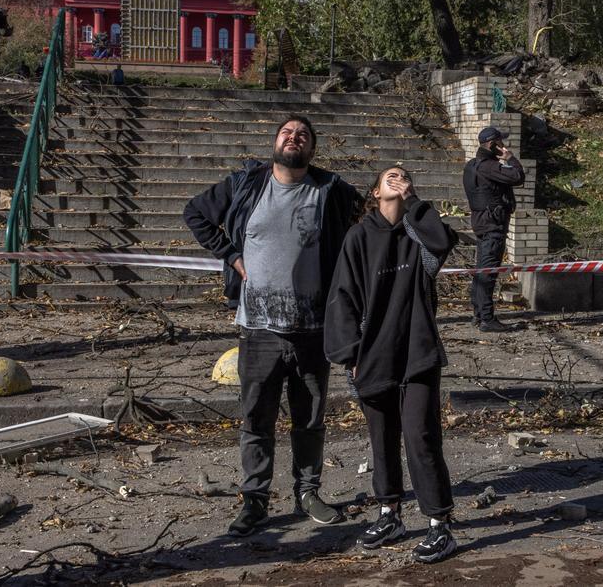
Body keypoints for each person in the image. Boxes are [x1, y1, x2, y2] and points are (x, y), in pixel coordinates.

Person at [183, 115, 363, 536]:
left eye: (302, 135)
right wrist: (231, 255)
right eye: (287, 132)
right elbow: (195, 213)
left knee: (310, 419)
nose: (293, 138)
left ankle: (308, 492)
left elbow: (371, 219)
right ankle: (255, 501)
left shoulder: (330, 190)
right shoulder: (246, 183)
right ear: (275, 142)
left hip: (312, 328)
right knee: (256, 419)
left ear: (311, 148)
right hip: (258, 329)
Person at [325, 166, 459, 564]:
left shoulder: (418, 234)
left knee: (421, 436)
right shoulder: (359, 237)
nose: (398, 180)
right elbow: (342, 297)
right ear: (374, 191)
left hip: (417, 352)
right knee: (381, 440)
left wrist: (414, 202)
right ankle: (390, 513)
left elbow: (440, 241)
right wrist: (349, 354)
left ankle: (439, 525)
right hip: (373, 355)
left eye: (405, 176)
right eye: (390, 176)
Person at [463, 126, 525, 332]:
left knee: (482, 270)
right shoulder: (489, 166)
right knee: (488, 272)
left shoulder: (472, 165)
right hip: (492, 226)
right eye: (501, 142)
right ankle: (487, 319)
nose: (504, 146)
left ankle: (478, 314)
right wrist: (510, 158)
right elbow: (517, 176)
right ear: (492, 145)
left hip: (482, 223)